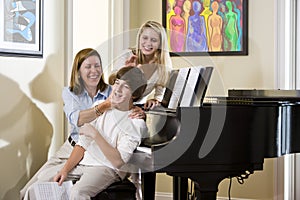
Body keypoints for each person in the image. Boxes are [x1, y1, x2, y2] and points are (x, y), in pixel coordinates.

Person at [19, 48, 144, 199]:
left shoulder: (123, 106)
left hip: (104, 165)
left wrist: (140, 110)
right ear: (78, 71)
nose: (94, 71)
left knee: (77, 192)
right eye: (88, 66)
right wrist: (65, 170)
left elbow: (118, 160)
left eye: (97, 66)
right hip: (76, 150)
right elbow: (80, 129)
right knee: (35, 187)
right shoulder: (74, 94)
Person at [113, 20, 172, 110]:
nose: (148, 43)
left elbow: (159, 96)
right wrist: (125, 71)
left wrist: (154, 100)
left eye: (154, 40)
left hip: (135, 109)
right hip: (114, 105)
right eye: (145, 38)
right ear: (139, 38)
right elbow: (111, 82)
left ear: (160, 44)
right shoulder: (127, 55)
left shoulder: (162, 68)